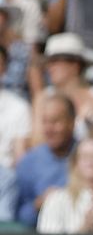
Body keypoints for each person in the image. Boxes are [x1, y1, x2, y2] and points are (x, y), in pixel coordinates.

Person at [14, 92, 79, 227]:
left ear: (71, 123)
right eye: (45, 122)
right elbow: (18, 217)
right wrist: (38, 204)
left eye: (55, 122)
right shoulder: (29, 163)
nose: (49, 129)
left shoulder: (88, 155)